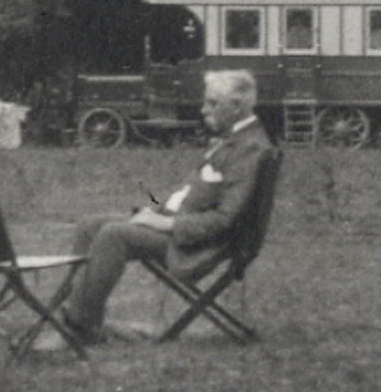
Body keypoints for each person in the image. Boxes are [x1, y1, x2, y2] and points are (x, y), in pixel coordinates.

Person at [63, 68, 270, 345]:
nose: (203, 110)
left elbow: (226, 219)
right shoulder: (238, 139)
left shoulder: (250, 148)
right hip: (182, 226)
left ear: (236, 106)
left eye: (212, 103)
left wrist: (167, 223)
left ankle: (78, 324)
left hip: (201, 244)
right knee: (91, 224)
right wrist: (159, 215)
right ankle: (77, 315)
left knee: (114, 234)